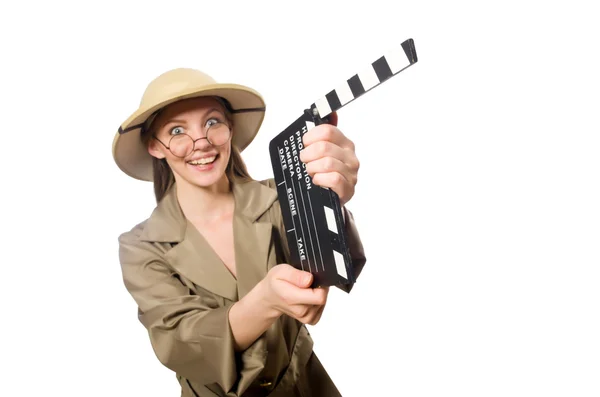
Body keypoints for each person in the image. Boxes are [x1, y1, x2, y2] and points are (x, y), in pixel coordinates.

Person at [112, 67, 367, 396]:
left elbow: (336, 263)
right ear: (156, 147)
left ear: (230, 128)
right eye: (177, 130)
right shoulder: (141, 246)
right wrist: (266, 302)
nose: (201, 143)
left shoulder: (278, 198)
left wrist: (329, 200)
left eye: (212, 122)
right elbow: (181, 344)